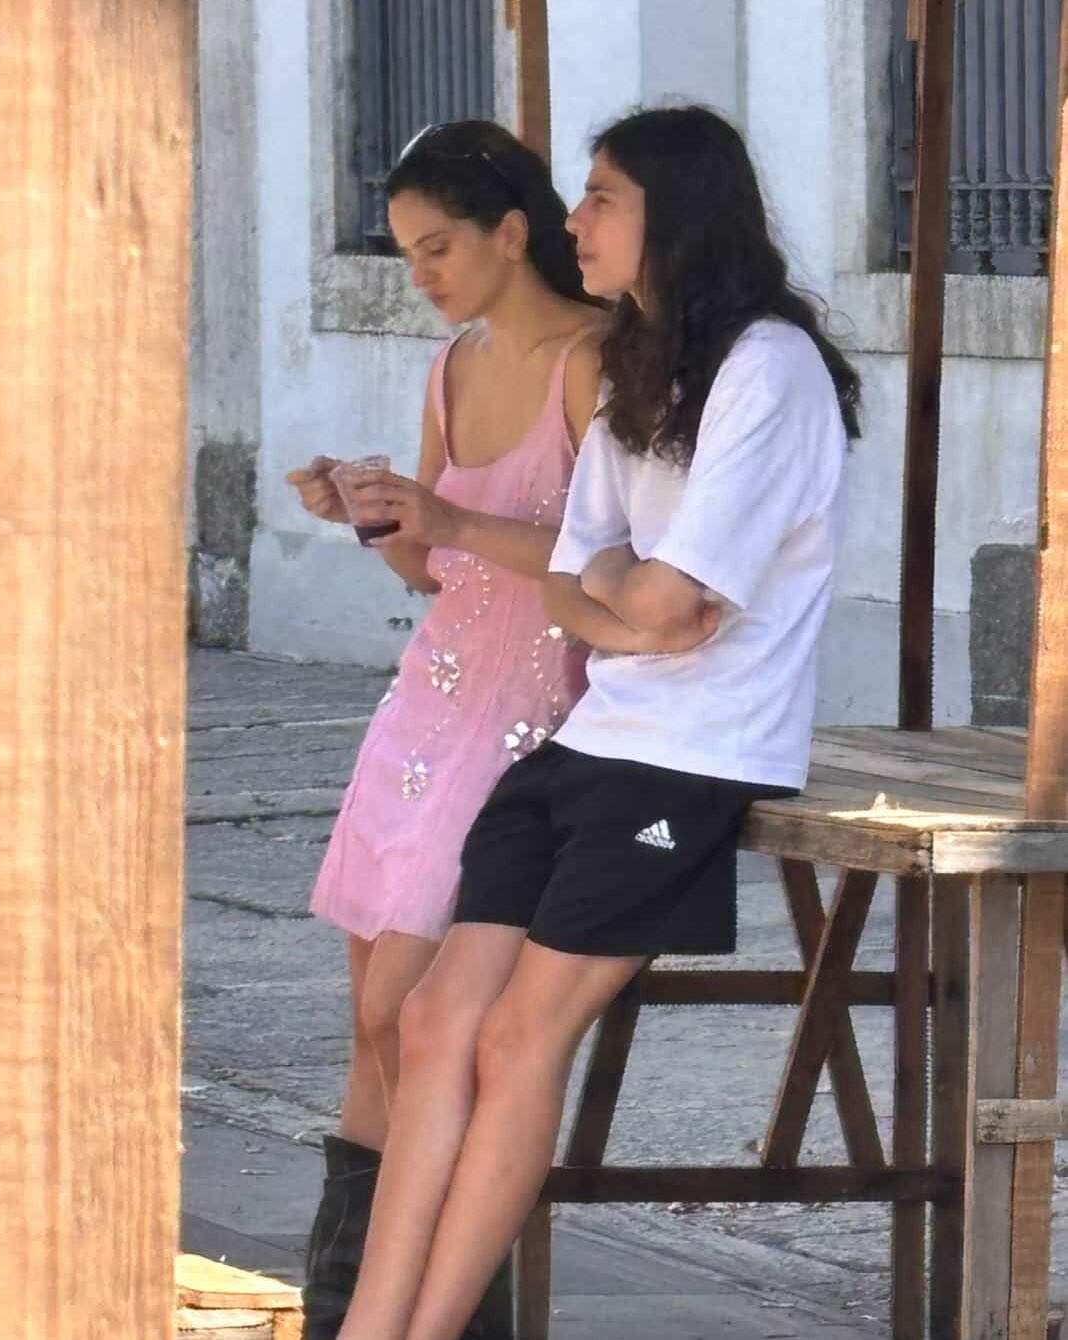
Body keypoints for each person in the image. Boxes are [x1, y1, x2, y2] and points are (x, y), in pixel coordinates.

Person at [335, 105, 863, 1340]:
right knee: (428, 1019)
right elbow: (580, 581)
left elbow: (676, 607)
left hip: (691, 753)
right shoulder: (639, 360)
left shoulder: (767, 366)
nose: (575, 221)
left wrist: (622, 592)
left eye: (600, 197)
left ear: (672, 210)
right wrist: (621, 593)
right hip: (594, 740)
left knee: (521, 1033)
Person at [287, 119, 696, 1340]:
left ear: (511, 232)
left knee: (426, 1021)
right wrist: (372, 513)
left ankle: (432, 1306)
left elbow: (609, 561)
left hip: (534, 713)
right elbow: (429, 568)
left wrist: (446, 524)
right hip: (427, 695)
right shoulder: (452, 364)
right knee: (372, 1019)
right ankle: (348, 1297)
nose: (422, 272)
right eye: (407, 252)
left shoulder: (598, 360)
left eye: (438, 246)